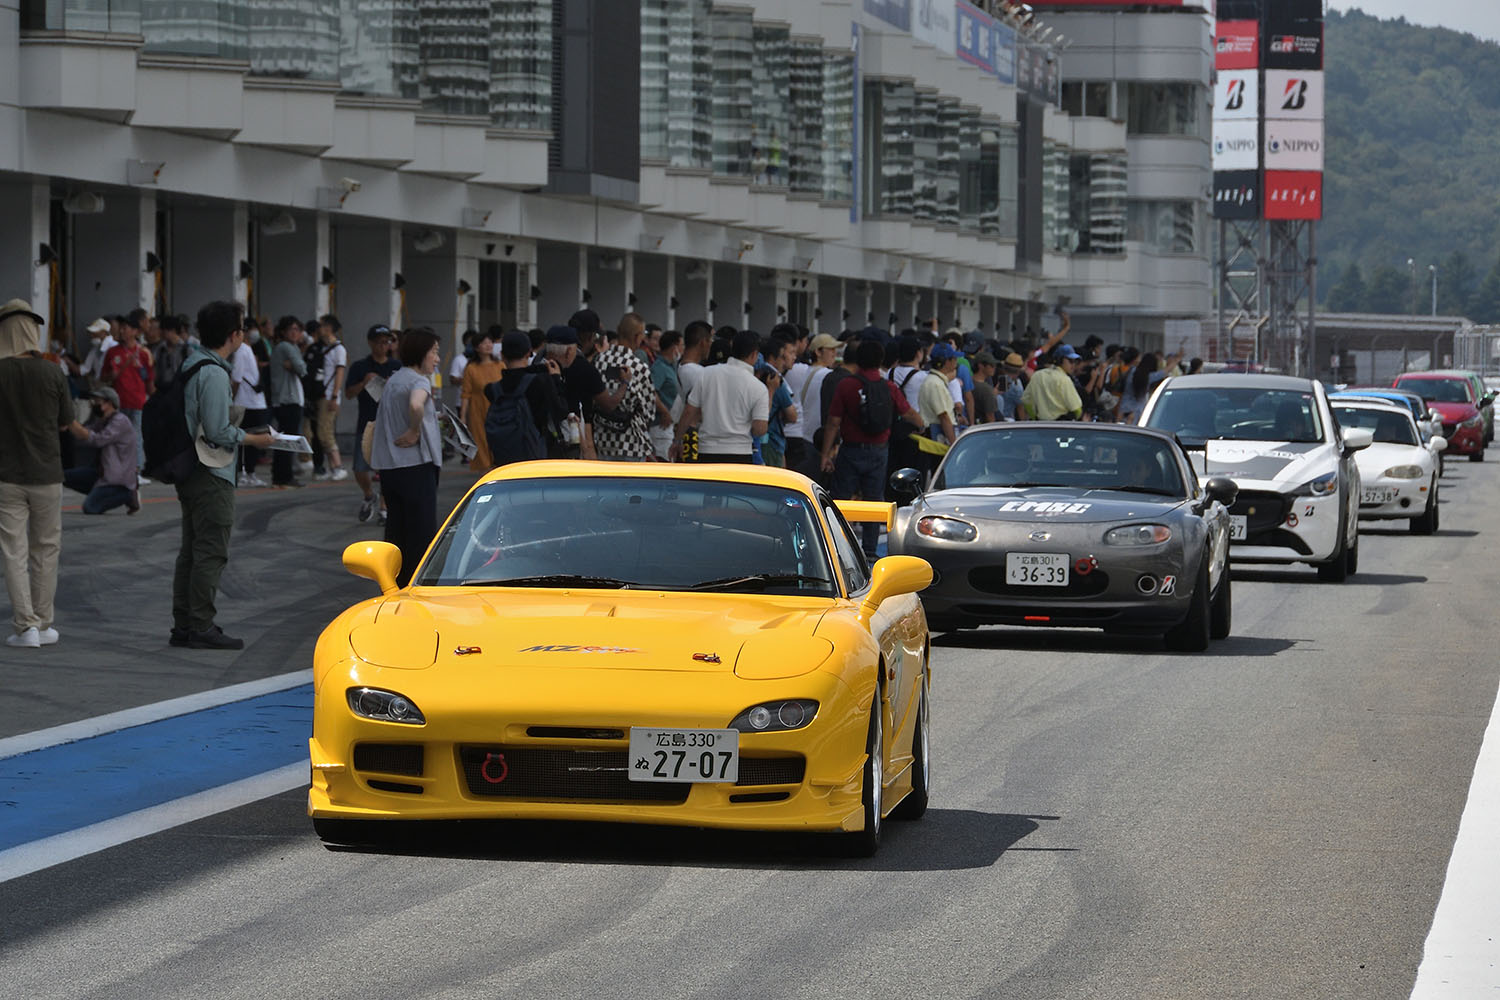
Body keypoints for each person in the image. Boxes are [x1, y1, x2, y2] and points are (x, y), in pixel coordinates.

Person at [171, 300, 275, 650]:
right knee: (211, 551)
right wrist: (256, 439)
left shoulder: (191, 364)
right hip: (211, 469)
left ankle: (184, 623)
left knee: (192, 550)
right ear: (234, 335)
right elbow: (217, 431)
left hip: (189, 469)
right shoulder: (213, 373)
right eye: (242, 328)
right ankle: (201, 624)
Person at [0, 299, 78, 647]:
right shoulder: (52, 371)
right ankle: (45, 624)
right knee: (46, 549)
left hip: (6, 476)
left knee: (13, 551)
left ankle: (25, 626)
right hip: (48, 473)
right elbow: (67, 420)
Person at [818, 339, 922, 560]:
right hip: (879, 452)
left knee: (841, 500)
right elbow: (909, 413)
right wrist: (922, 424)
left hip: (851, 450)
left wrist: (826, 454)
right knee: (874, 501)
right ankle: (870, 551)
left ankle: (836, 547)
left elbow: (833, 422)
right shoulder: (889, 387)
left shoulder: (846, 385)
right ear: (881, 361)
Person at [370, 328, 443, 588]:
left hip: (390, 468)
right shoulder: (418, 381)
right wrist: (414, 430)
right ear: (421, 352)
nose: (437, 358)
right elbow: (415, 405)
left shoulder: (394, 379)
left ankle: (394, 583)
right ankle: (418, 586)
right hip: (415, 466)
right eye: (434, 352)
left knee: (397, 531)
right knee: (421, 533)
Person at [673, 329, 771, 464]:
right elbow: (760, 429)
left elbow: (689, 411)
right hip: (740, 453)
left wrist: (678, 440)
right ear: (754, 354)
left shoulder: (707, 374)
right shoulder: (758, 387)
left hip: (707, 451)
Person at [486, 330, 569, 466]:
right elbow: (560, 411)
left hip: (503, 459)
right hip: (533, 455)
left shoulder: (492, 390)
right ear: (529, 353)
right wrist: (556, 379)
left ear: (502, 355)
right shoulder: (540, 381)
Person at [346, 325, 401, 521]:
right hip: (367, 422)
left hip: (390, 424)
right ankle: (369, 494)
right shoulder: (360, 367)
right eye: (379, 342)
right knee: (360, 468)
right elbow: (349, 394)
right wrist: (365, 382)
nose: (383, 346)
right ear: (370, 343)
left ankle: (385, 507)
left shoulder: (396, 366)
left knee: (386, 468)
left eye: (387, 342)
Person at [63, 386, 140, 514]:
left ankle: (128, 495)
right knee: (64, 476)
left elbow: (98, 440)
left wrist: (72, 423)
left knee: (90, 508)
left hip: (117, 480)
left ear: (108, 403)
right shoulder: (103, 421)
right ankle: (101, 494)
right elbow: (85, 434)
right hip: (102, 474)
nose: (93, 404)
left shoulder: (120, 421)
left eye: (97, 401)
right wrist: (71, 427)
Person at [592, 313, 656, 461]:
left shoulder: (599, 361)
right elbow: (649, 412)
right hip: (631, 443)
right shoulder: (639, 367)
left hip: (602, 439)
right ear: (636, 337)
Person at [101, 312, 154, 473]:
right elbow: (103, 376)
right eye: (121, 328)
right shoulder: (112, 352)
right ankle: (117, 468)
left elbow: (149, 379)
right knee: (117, 437)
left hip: (137, 401)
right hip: (118, 402)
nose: (122, 331)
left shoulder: (144, 353)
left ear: (135, 331)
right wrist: (112, 376)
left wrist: (152, 398)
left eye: (126, 328)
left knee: (136, 436)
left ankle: (136, 469)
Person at [458, 328, 504, 474]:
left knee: (497, 443)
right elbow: (466, 394)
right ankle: (486, 476)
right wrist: (463, 418)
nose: (488, 345)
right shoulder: (471, 368)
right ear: (477, 347)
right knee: (482, 443)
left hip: (498, 410)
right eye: (484, 343)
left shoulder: (500, 365)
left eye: (490, 342)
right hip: (478, 412)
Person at [269, 316, 307, 488]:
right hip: (287, 400)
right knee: (288, 439)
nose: (295, 332)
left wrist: (294, 366)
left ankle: (281, 475)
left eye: (297, 329)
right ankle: (284, 476)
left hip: (286, 399)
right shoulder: (286, 347)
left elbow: (298, 367)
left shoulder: (285, 347)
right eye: (291, 329)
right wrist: (295, 366)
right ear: (283, 331)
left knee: (285, 439)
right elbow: (303, 369)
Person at [231, 324, 269, 488]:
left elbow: (236, 379)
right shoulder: (246, 351)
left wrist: (231, 398)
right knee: (251, 440)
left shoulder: (242, 351)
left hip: (246, 402)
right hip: (252, 402)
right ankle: (248, 473)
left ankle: (246, 473)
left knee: (246, 440)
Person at [313, 315, 348, 481]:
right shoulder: (324, 348)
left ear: (328, 328)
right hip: (323, 395)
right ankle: (333, 467)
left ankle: (338, 466)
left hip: (329, 396)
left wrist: (335, 396)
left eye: (322, 326)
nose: (319, 329)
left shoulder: (339, 350)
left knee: (325, 432)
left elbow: (340, 372)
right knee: (323, 432)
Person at [1021, 345, 1085, 421]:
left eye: (1075, 362)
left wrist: (1034, 417)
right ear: (1059, 360)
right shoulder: (1064, 379)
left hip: (1040, 425)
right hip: (1061, 426)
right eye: (1070, 361)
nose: (1073, 365)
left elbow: (1026, 401)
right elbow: (1077, 409)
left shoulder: (1037, 375)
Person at [648, 330, 684, 460]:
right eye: (681, 345)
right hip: (660, 426)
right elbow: (651, 391)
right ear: (674, 347)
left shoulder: (671, 367)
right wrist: (664, 412)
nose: (682, 349)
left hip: (669, 426)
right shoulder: (659, 367)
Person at [918, 343, 961, 448]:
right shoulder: (935, 384)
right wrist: (954, 446)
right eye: (954, 358)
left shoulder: (936, 381)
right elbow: (944, 417)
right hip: (936, 439)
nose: (956, 361)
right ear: (946, 362)